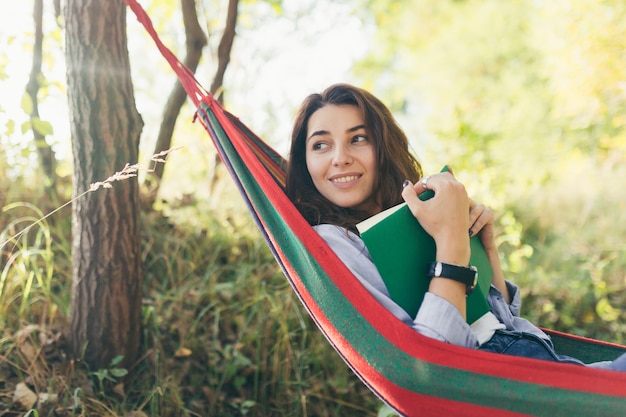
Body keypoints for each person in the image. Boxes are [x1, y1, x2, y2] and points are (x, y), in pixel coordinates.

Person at [285, 83, 626, 371]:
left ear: (383, 147)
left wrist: (484, 245)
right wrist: (451, 244)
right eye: (320, 145)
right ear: (306, 162)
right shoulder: (329, 242)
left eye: (358, 138)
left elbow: (500, 319)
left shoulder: (415, 215)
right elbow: (430, 365)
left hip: (539, 361)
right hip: (489, 382)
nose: (339, 157)